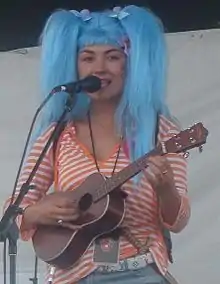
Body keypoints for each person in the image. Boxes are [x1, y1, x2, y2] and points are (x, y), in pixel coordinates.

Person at [4, 5, 191, 284]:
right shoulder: (56, 136)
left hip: (139, 271)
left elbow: (178, 221)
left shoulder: (158, 130)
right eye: (87, 58)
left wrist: (166, 189)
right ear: (74, 66)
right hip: (71, 276)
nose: (99, 68)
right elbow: (14, 208)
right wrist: (36, 212)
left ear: (131, 65)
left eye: (113, 57)